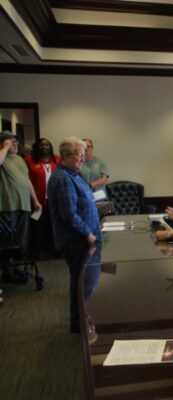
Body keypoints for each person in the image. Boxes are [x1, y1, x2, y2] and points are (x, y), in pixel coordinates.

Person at [47, 136, 100, 333]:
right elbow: (68, 214)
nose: (84, 158)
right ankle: (78, 323)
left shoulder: (72, 174)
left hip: (83, 238)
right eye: (80, 154)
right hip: (77, 241)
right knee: (81, 282)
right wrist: (89, 234)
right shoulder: (63, 178)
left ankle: (80, 320)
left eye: (84, 154)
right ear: (66, 155)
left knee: (84, 281)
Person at [0, 132, 42, 283]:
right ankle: (8, 271)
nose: (15, 144)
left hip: (24, 204)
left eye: (16, 142)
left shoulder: (20, 159)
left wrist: (35, 200)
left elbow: (27, 180)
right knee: (9, 239)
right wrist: (5, 147)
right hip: (8, 205)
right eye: (11, 142)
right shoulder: (2, 157)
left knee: (21, 239)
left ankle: (16, 267)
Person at [24, 138, 61, 257]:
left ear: (50, 147)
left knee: (53, 225)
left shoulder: (57, 160)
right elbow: (25, 179)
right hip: (37, 200)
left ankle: (53, 250)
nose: (44, 147)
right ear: (37, 147)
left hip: (54, 200)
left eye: (46, 145)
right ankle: (36, 252)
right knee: (37, 226)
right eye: (41, 145)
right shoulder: (29, 160)